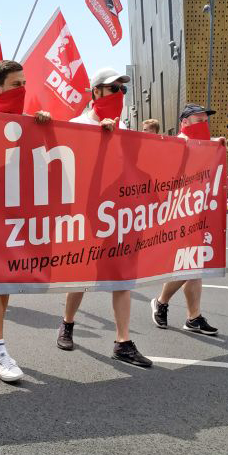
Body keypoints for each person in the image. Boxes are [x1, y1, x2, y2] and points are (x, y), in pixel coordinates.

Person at [55, 68, 152, 367]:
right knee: (82, 275)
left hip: (117, 214)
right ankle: (67, 324)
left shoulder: (124, 128)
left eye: (122, 90)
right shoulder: (77, 124)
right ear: (96, 92)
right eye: (112, 89)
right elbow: (65, 163)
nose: (118, 95)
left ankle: (123, 342)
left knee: (123, 277)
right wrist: (99, 137)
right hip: (85, 214)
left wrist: (208, 148)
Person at [0, 60, 51, 383]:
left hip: (15, 211)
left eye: (24, 83)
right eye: (15, 85)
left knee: (6, 281)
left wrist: (41, 127)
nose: (22, 90)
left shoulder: (25, 121)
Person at [150, 104, 220, 336]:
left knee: (194, 267)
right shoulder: (177, 144)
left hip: (197, 212)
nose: (204, 123)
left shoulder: (204, 146)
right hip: (179, 214)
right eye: (199, 119)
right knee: (187, 266)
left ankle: (193, 317)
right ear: (185, 121)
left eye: (205, 120)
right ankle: (161, 303)